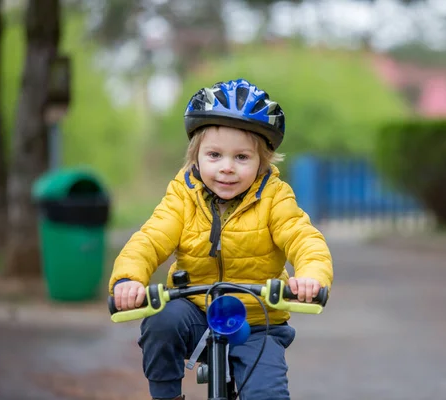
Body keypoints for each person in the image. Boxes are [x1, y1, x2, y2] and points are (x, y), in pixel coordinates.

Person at [109, 78, 334, 400]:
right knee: (161, 321)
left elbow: (304, 238)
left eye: (242, 157)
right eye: (214, 155)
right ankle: (166, 395)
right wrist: (128, 280)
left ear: (262, 162)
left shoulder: (275, 197)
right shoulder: (183, 196)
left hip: (258, 319)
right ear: (195, 156)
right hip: (195, 313)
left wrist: (311, 277)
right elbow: (150, 239)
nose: (227, 168)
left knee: (267, 392)